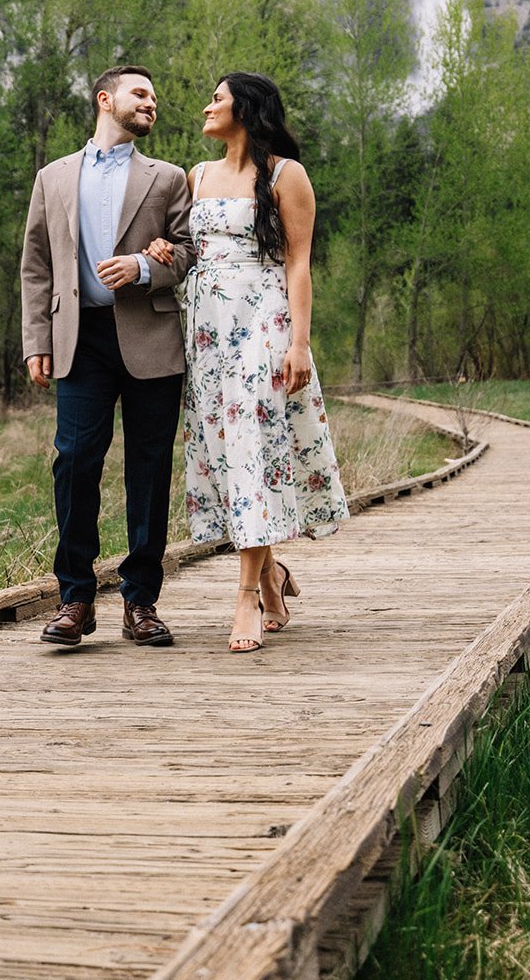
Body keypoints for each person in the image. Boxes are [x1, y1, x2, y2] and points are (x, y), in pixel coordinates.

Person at [147, 72, 349, 653]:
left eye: (218, 97)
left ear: (247, 108)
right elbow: (189, 253)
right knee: (224, 453)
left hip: (263, 322)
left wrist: (299, 344)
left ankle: (243, 597)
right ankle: (271, 575)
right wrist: (164, 249)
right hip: (205, 328)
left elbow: (299, 263)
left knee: (251, 445)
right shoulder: (197, 176)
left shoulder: (288, 174)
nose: (207, 107)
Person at [21, 66, 194, 648]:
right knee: (73, 463)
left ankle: (141, 601)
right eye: (141, 93)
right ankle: (75, 598)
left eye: (154, 96)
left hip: (151, 337)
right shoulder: (53, 177)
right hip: (80, 341)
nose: (152, 103)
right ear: (106, 99)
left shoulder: (168, 178)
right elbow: (37, 266)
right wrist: (36, 342)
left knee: (148, 469)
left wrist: (144, 268)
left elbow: (191, 252)